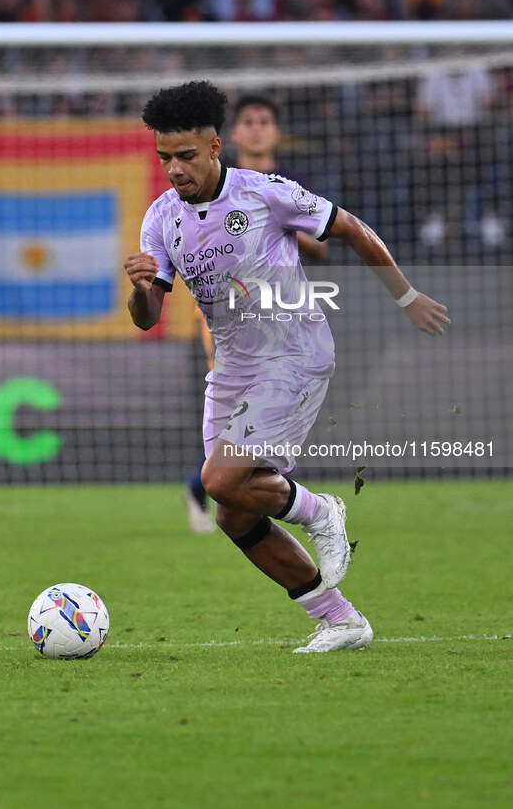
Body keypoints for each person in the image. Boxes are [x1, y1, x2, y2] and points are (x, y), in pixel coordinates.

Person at [124, 80, 449, 653]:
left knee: (217, 480)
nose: (174, 169)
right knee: (232, 513)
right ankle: (342, 620)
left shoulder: (263, 192)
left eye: (186, 156)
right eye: (164, 158)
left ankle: (321, 510)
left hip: (294, 351)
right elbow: (147, 316)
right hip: (233, 367)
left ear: (215, 146)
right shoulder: (159, 219)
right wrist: (143, 287)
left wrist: (406, 296)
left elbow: (349, 228)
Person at [184, 92, 328, 532]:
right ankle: (215, 485)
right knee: (241, 418)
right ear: (234, 134)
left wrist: (277, 226)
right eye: (250, 121)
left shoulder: (290, 184)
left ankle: (208, 486)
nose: (258, 128)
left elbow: (321, 246)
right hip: (229, 318)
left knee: (267, 425)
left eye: (267, 120)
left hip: (284, 317)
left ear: (277, 132)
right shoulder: (219, 184)